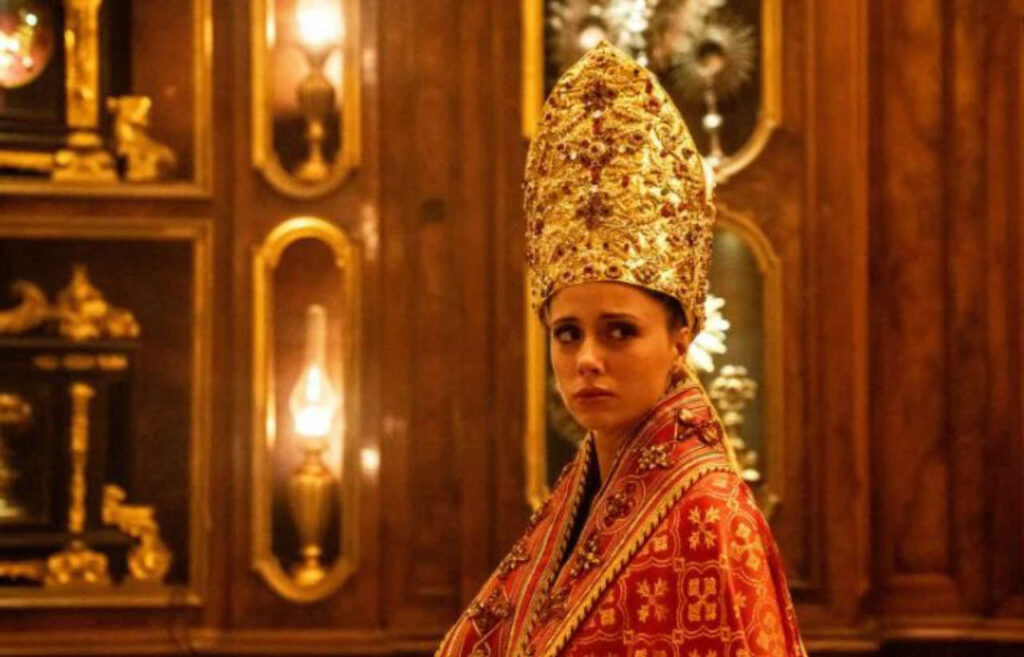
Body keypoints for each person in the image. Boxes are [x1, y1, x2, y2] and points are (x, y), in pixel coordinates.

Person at [436, 42, 805, 657]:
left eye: (620, 331)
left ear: (680, 338)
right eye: (568, 333)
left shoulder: (712, 520)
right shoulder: (575, 505)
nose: (587, 358)